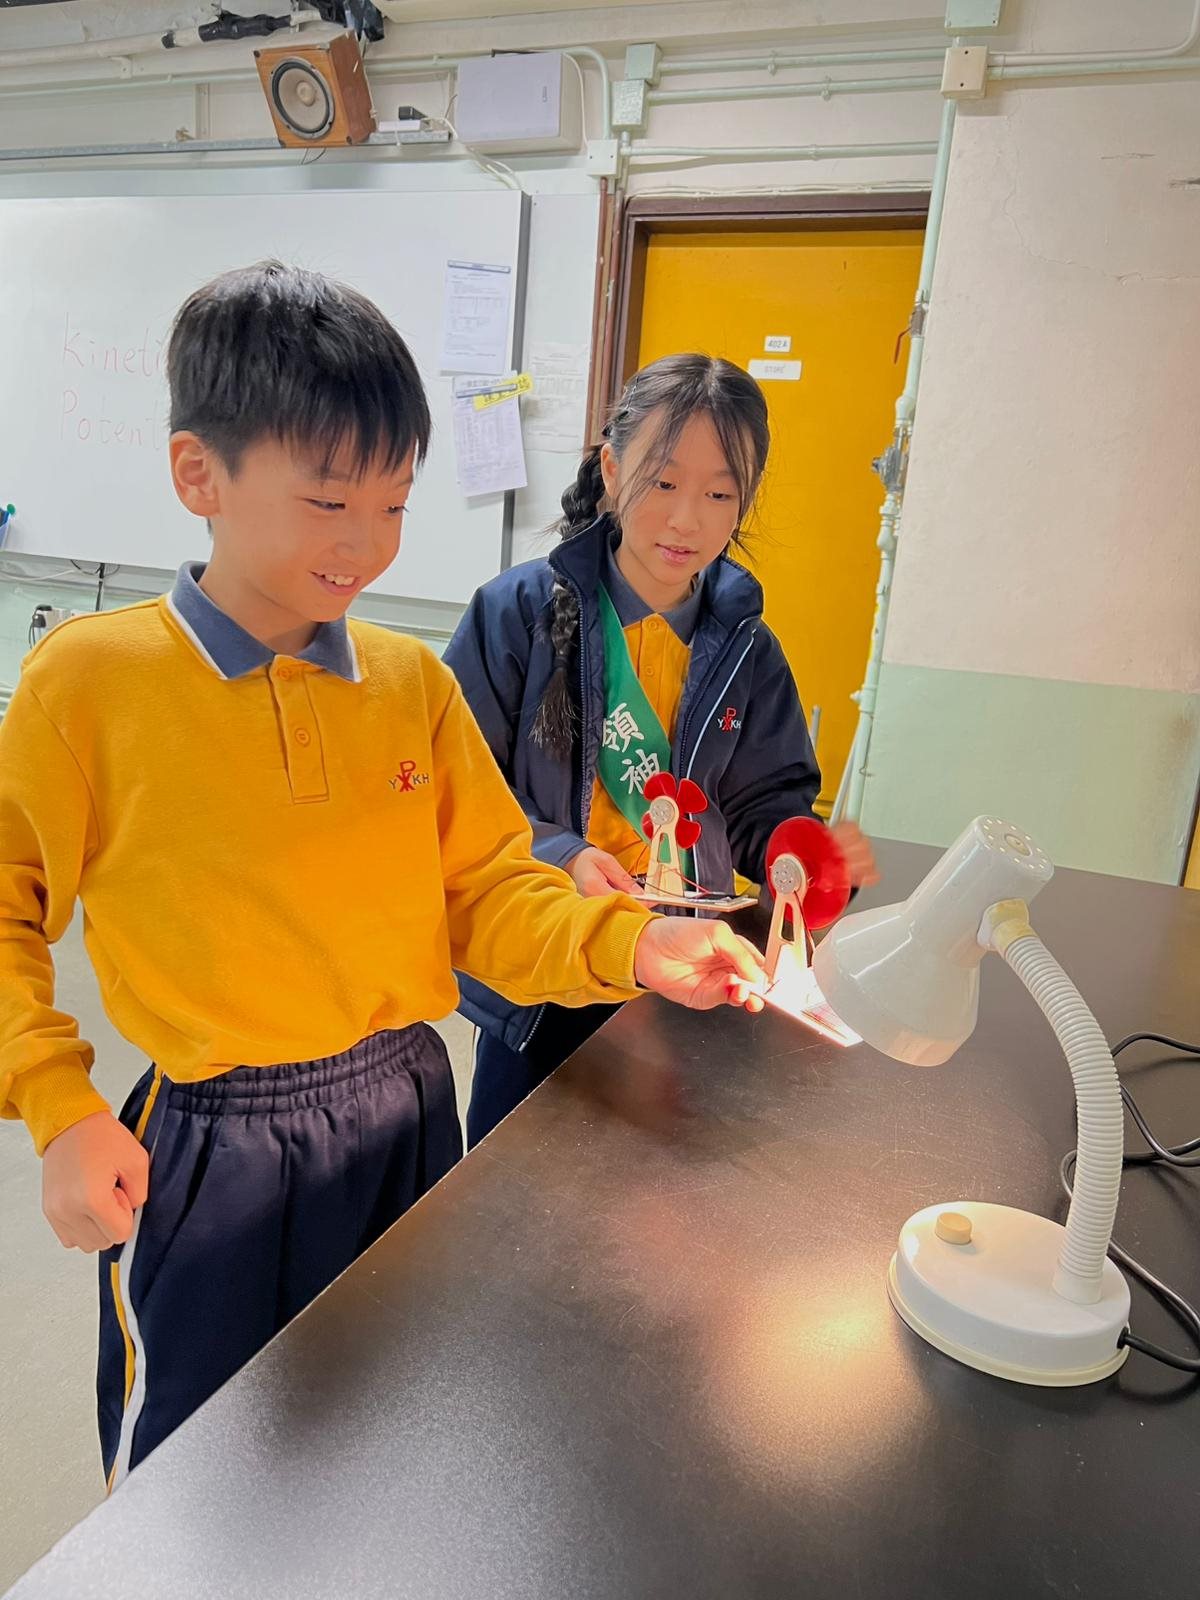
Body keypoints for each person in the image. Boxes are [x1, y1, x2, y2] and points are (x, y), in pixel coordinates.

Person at [0, 270, 768, 1487]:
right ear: (199, 474)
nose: (366, 542)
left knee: (389, 1437)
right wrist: (59, 1105)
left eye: (396, 504)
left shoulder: (410, 684)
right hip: (216, 1144)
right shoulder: (89, 683)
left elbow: (489, 890)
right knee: (197, 1474)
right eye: (328, 500)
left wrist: (630, 943)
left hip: (406, 1110)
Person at [445, 354, 877, 1147]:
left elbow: (764, 801)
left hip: (687, 972)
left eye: (719, 494)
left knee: (658, 1182)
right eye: (664, 482)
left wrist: (800, 854)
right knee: (513, 1178)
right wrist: (564, 852)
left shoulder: (748, 649)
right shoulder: (515, 615)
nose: (687, 520)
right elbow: (460, 794)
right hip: (547, 965)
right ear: (612, 471)